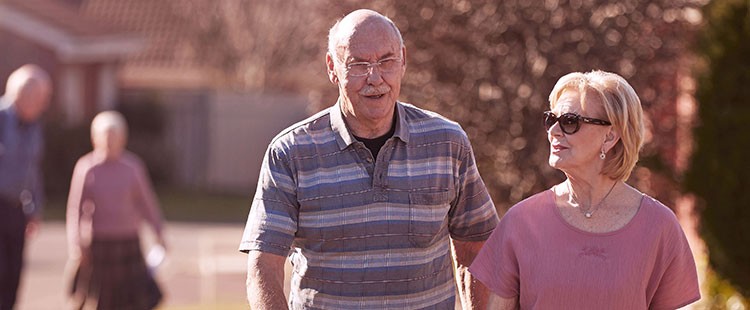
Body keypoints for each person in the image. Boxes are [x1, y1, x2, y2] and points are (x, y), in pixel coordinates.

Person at [239, 9, 499, 309]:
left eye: (386, 61)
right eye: (358, 64)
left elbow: (476, 251)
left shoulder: (447, 143)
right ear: (332, 68)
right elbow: (264, 268)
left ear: (403, 60)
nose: (375, 78)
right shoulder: (290, 153)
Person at [469, 70, 701, 309]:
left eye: (570, 122)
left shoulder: (658, 226)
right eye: (552, 119)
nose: (553, 131)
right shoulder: (521, 222)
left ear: (610, 136)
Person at [65, 111, 166, 309]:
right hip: (99, 245)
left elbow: (147, 204)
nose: (110, 143)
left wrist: (159, 232)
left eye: (115, 137)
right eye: (106, 137)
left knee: (136, 301)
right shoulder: (86, 168)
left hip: (128, 242)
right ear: (95, 139)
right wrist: (76, 245)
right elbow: (75, 209)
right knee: (100, 301)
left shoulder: (133, 167)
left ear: (123, 139)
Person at [0, 64, 51, 310]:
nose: (43, 105)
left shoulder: (34, 126)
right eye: (41, 99)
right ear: (23, 94)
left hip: (16, 210)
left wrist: (34, 207)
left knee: (13, 275)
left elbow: (33, 170)